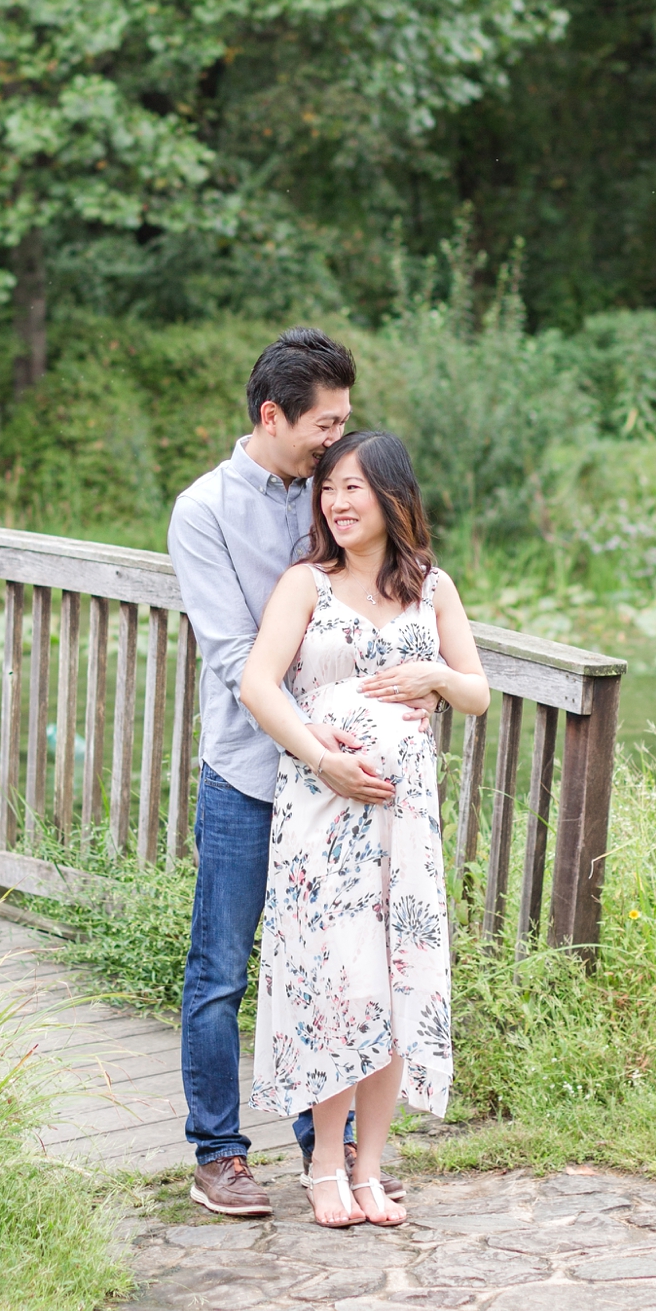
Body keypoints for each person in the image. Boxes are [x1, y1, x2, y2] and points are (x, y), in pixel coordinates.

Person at [168, 327, 407, 1220]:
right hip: (250, 769)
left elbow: (381, 590)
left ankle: (326, 1146)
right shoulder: (204, 511)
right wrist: (319, 751)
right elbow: (238, 657)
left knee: (334, 961)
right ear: (274, 415)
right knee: (222, 966)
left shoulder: (335, 491)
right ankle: (220, 1152)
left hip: (336, 775)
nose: (337, 437)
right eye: (326, 422)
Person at [239, 429, 489, 1229]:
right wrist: (320, 756)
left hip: (404, 827)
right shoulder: (305, 585)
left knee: (394, 985)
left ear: (391, 496)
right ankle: (322, 1168)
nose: (336, 503)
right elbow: (257, 686)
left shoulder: (433, 588)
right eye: (328, 488)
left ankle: (372, 1171)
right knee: (339, 985)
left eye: (353, 488)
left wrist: (436, 678)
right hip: (323, 819)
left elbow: (477, 691)